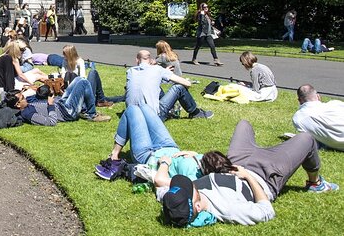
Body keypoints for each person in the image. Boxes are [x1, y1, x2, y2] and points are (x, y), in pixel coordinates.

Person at [162, 120, 338, 227]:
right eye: (187, 190)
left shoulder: (177, 200)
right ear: (198, 207)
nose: (187, 186)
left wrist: (194, 158)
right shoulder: (229, 210)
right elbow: (266, 211)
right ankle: (315, 184)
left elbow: (162, 187)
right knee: (306, 139)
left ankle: (254, 150)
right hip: (265, 174)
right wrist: (248, 177)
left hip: (236, 162)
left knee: (243, 124)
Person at [95, 103, 189, 180]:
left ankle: (114, 156)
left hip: (150, 157)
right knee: (145, 107)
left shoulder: (197, 181)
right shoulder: (202, 164)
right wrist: (193, 153)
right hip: (170, 147)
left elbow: (165, 183)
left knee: (132, 110)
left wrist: (165, 164)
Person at [126, 50, 212, 120]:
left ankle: (171, 111)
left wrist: (162, 73)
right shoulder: (158, 70)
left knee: (154, 88)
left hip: (132, 115)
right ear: (150, 60)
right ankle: (196, 113)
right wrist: (165, 72)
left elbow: (148, 82)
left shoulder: (130, 71)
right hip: (153, 117)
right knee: (178, 88)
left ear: (136, 60)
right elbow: (187, 84)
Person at [20, 78, 111, 125]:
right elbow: (51, 122)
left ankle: (85, 111)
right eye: (21, 98)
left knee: (78, 79)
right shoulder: (28, 113)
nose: (24, 98)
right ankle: (92, 115)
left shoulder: (29, 101)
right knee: (84, 83)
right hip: (67, 111)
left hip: (61, 103)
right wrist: (51, 105)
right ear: (17, 105)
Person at [293, 84, 344, 151]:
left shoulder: (298, 119)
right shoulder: (335, 104)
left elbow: (311, 140)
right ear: (318, 96)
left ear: (299, 100)